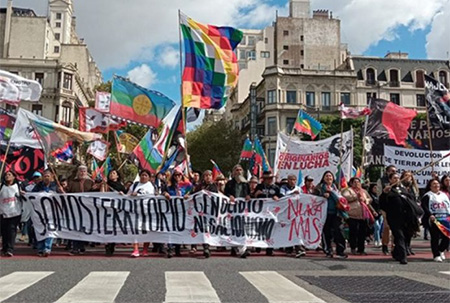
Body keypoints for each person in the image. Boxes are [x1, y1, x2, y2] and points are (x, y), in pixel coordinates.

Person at [380, 172, 422, 265]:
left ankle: (396, 253)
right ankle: (403, 257)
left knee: (406, 236)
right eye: (394, 178)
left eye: (398, 178)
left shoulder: (403, 189)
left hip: (406, 218)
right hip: (395, 219)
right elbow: (382, 204)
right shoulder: (388, 191)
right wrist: (384, 194)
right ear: (390, 180)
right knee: (400, 237)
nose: (397, 180)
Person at [65, 165, 100, 255]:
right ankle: (75, 247)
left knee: (83, 229)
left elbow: (96, 195)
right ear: (78, 172)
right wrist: (63, 190)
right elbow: (67, 193)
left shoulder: (90, 182)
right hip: (74, 209)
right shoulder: (72, 182)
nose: (82, 172)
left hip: (87, 210)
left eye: (84, 171)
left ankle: (81, 247)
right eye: (80, 171)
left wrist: (98, 188)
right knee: (75, 229)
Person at [313, 171, 348, 259]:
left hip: (336, 213)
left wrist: (332, 192)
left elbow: (341, 199)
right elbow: (313, 199)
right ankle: (328, 249)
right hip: (325, 213)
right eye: (327, 176)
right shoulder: (319, 188)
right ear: (323, 178)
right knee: (326, 232)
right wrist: (322, 195)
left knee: (339, 231)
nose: (329, 178)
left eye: (330, 176)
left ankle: (340, 251)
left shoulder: (336, 188)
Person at [162, 169, 192, 258]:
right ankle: (170, 248)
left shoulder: (187, 186)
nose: (177, 176)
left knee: (180, 229)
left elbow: (193, 193)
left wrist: (188, 195)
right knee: (171, 229)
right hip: (171, 210)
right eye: (175, 175)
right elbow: (162, 192)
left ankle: (178, 249)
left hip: (182, 211)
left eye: (179, 175)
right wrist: (165, 193)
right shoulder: (169, 186)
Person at [224, 164, 251, 258]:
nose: (238, 171)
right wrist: (229, 196)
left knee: (242, 228)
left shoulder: (245, 183)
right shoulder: (230, 183)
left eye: (240, 170)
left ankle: (242, 249)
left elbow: (248, 193)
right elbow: (225, 193)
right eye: (236, 170)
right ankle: (234, 248)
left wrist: (248, 196)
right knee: (233, 228)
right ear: (233, 172)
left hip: (242, 209)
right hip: (232, 209)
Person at [128, 169, 156, 257]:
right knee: (135, 230)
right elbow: (127, 195)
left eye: (146, 175)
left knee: (146, 230)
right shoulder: (135, 185)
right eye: (142, 175)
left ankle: (145, 249)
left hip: (147, 212)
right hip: (136, 211)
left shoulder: (152, 186)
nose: (143, 177)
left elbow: (154, 196)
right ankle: (135, 249)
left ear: (149, 177)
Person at [341, 177, 373, 255]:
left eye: (358, 182)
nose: (357, 184)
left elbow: (370, 199)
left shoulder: (363, 191)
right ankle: (353, 247)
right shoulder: (348, 190)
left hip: (363, 215)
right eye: (355, 182)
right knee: (353, 232)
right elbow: (345, 198)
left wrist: (366, 200)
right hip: (352, 215)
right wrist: (356, 197)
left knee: (362, 233)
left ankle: (361, 249)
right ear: (351, 183)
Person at [421, 179, 450, 262]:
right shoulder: (428, 195)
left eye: (437, 184)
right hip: (434, 219)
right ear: (430, 186)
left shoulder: (444, 195)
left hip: (445, 218)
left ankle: (441, 250)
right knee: (435, 237)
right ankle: (436, 254)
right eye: (434, 184)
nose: (436, 185)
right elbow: (425, 206)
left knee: (447, 236)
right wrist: (430, 215)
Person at [32, 169, 59, 257]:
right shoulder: (38, 186)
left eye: (48, 176)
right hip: (40, 212)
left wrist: (62, 191)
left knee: (50, 230)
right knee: (40, 230)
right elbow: (32, 195)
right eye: (45, 176)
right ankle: (40, 248)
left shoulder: (56, 186)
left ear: (52, 177)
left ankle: (47, 248)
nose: (46, 177)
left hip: (52, 212)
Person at [255, 171, 282, 256]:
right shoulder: (259, 186)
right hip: (261, 211)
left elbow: (281, 198)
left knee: (271, 229)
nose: (269, 180)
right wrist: (256, 194)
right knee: (260, 229)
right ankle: (258, 245)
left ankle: (270, 249)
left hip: (271, 212)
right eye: (267, 179)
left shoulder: (276, 188)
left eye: (270, 178)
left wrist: (277, 198)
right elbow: (253, 196)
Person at [191, 170, 217, 258]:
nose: (208, 177)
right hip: (199, 211)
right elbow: (193, 194)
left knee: (207, 229)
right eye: (206, 175)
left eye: (209, 175)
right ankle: (199, 246)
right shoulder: (199, 186)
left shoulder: (214, 186)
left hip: (209, 212)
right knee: (200, 229)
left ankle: (207, 247)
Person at [0, 171, 24, 257]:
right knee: (4, 231)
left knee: (11, 230)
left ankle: (10, 249)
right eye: (6, 175)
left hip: (15, 212)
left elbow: (25, 196)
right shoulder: (1, 186)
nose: (7, 176)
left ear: (14, 177)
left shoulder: (18, 186)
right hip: (3, 212)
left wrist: (23, 194)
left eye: (9, 175)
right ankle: (5, 247)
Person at [104, 169, 127, 256]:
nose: (111, 175)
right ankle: (108, 246)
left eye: (114, 173)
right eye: (110, 173)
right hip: (107, 208)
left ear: (117, 176)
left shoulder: (121, 186)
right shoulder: (106, 184)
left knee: (114, 228)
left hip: (117, 209)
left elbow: (126, 195)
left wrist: (122, 194)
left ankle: (112, 245)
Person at [377, 165, 397, 255]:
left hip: (396, 208)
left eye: (395, 171)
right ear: (387, 171)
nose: (394, 172)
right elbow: (379, 194)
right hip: (386, 208)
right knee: (387, 227)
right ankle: (385, 245)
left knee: (396, 229)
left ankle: (394, 246)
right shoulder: (381, 181)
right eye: (392, 171)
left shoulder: (398, 181)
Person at [400, 170, 420, 256]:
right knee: (403, 231)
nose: (408, 177)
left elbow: (417, 198)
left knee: (411, 231)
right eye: (406, 175)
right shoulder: (400, 186)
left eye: (409, 176)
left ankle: (408, 246)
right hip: (403, 211)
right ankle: (403, 247)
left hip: (412, 212)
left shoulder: (414, 188)